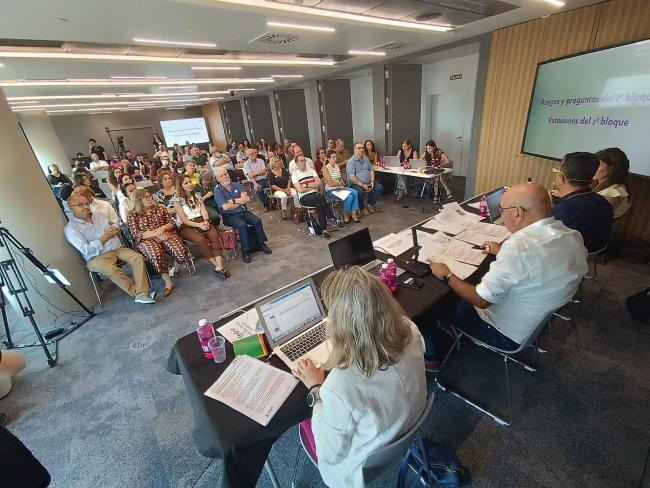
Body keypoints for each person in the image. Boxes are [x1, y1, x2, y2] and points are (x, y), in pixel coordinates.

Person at [426, 182, 588, 370]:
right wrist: (502, 251)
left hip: (504, 333)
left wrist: (447, 274)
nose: (502, 216)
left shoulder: (519, 247)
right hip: (534, 322)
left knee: (436, 303)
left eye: (502, 211)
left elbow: (481, 300)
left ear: (518, 213)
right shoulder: (571, 235)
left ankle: (432, 357)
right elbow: (539, 260)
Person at [293, 266, 427, 488]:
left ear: (341, 325)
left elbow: (330, 453)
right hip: (406, 424)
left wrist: (316, 389)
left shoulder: (339, 385)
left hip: (356, 469)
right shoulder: (409, 329)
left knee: (302, 422)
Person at [65, 193, 155, 304]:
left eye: (87, 203)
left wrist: (115, 228)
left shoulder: (99, 215)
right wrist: (104, 238)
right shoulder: (71, 228)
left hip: (116, 248)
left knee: (137, 257)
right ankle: (139, 293)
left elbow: (114, 223)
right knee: (110, 269)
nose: (85, 207)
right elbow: (86, 250)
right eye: (80, 205)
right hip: (96, 257)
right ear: (71, 208)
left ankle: (141, 293)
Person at [128, 189, 190, 296]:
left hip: (164, 233)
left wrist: (163, 228)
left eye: (150, 196)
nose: (150, 198)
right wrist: (155, 233)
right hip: (146, 240)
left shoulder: (160, 208)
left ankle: (177, 269)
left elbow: (171, 222)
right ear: (138, 200)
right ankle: (168, 282)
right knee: (155, 254)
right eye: (146, 197)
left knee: (181, 251)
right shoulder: (133, 215)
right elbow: (136, 234)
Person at [551, 152, 614, 253]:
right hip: (596, 250)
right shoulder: (602, 201)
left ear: (562, 177)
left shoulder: (565, 211)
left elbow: (544, 236)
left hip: (569, 254)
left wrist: (548, 212)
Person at [174, 175, 230, 280]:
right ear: (180, 186)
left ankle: (220, 266)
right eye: (186, 183)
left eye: (190, 181)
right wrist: (199, 225)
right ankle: (216, 265)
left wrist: (206, 221)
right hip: (186, 225)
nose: (190, 184)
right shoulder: (177, 200)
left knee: (214, 235)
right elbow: (184, 220)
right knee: (200, 239)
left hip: (201, 220)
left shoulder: (197, 195)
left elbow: (203, 210)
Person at [214, 166, 272, 263]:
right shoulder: (218, 191)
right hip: (229, 216)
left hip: (243, 212)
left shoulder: (236, 185)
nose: (225, 177)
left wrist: (231, 201)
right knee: (242, 225)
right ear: (218, 179)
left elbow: (247, 199)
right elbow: (225, 207)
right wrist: (239, 201)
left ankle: (261, 244)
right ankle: (245, 251)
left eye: (225, 174)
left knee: (257, 220)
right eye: (221, 175)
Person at [292, 155, 337, 238]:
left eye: (304, 160)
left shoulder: (311, 170)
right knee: (320, 197)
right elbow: (300, 190)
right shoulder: (295, 175)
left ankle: (324, 230)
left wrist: (306, 185)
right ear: (296, 163)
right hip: (304, 198)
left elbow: (319, 183)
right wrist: (313, 186)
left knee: (319, 205)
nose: (304, 162)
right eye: (301, 161)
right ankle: (331, 216)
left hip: (315, 195)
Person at [323, 150, 361, 224]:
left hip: (339, 188)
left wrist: (342, 182)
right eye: (333, 157)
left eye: (335, 157)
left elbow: (339, 178)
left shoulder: (336, 166)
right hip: (331, 191)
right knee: (349, 197)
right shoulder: (326, 168)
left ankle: (353, 214)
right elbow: (330, 184)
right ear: (328, 159)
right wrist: (340, 183)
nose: (335, 159)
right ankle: (345, 214)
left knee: (355, 192)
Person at [346, 142, 383, 216]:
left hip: (368, 182)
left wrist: (372, 181)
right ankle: (362, 208)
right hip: (355, 184)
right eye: (359, 148)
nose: (361, 150)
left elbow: (371, 170)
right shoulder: (351, 162)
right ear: (354, 150)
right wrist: (363, 185)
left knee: (379, 188)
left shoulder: (366, 159)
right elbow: (352, 177)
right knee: (360, 192)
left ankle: (370, 204)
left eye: (362, 148)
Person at [594, 147, 631, 219]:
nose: (592, 167)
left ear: (613, 168)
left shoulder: (617, 192)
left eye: (598, 165)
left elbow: (595, 217)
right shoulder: (596, 183)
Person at [268, 155, 298, 220]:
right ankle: (283, 211)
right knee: (284, 196)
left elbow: (289, 180)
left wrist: (288, 188)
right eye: (276, 161)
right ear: (273, 163)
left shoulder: (284, 170)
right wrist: (284, 191)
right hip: (277, 190)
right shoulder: (270, 173)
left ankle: (296, 209)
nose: (278, 162)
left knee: (295, 193)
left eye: (279, 160)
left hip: (287, 188)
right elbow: (273, 186)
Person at [243, 147, 270, 212]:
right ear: (247, 156)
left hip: (264, 179)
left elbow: (264, 172)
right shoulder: (246, 164)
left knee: (273, 184)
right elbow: (250, 176)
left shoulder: (261, 161)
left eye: (253, 153)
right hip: (254, 182)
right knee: (260, 190)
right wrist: (255, 184)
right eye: (250, 154)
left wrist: (255, 173)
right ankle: (266, 205)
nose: (253, 154)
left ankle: (274, 202)